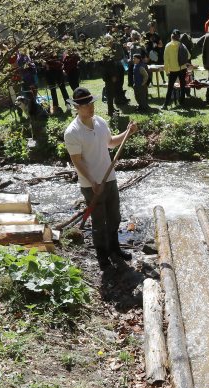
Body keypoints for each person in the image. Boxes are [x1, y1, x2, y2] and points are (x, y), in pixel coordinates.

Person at [64, 87, 137, 274]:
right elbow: (77, 162)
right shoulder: (72, 132)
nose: (90, 107)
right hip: (91, 184)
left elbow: (111, 142)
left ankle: (115, 250)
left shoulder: (100, 122)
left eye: (92, 103)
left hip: (109, 178)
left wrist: (127, 133)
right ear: (77, 108)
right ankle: (102, 258)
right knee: (99, 222)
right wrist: (93, 181)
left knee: (115, 217)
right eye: (86, 105)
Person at [163, 29, 191, 109]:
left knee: (170, 87)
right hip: (182, 68)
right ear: (179, 37)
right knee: (182, 86)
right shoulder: (182, 45)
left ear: (172, 36)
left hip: (172, 70)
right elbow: (188, 56)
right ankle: (182, 103)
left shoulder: (168, 46)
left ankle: (165, 104)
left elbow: (166, 60)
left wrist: (166, 71)